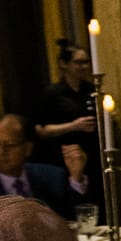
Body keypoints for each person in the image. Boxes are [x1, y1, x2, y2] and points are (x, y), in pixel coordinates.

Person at [33, 38, 100, 201]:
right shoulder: (53, 93)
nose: (84, 67)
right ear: (64, 64)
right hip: (63, 154)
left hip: (91, 153)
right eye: (78, 62)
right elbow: (40, 130)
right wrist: (73, 126)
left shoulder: (92, 90)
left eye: (86, 62)